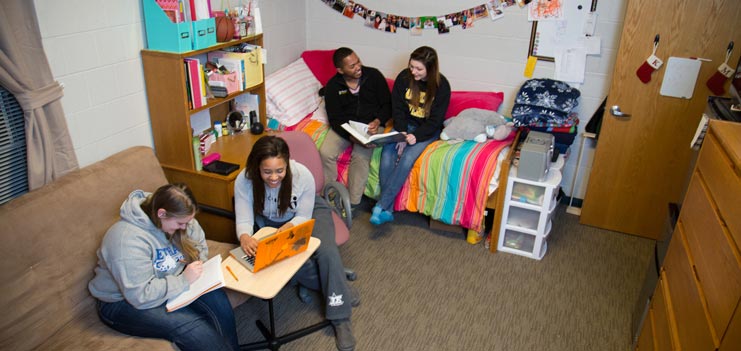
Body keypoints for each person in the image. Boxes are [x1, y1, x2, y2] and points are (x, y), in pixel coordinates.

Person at [234, 135, 359, 351]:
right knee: (283, 261)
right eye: (267, 172)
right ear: (256, 167)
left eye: (279, 171)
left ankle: (340, 317)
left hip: (310, 214)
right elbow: (244, 220)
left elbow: (303, 215)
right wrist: (245, 236)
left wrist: (291, 228)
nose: (274, 177)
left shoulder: (302, 175)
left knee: (327, 253)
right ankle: (339, 289)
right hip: (271, 222)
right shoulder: (244, 180)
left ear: (287, 164)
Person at [88, 184, 239, 351]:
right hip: (123, 302)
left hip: (169, 282)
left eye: (188, 222)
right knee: (194, 328)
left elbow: (199, 246)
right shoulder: (125, 240)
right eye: (180, 223)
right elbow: (140, 296)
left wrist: (197, 264)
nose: (185, 227)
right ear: (162, 214)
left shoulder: (181, 216)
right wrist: (183, 280)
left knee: (219, 302)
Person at [370, 46, 451, 225]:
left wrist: (416, 136)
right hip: (404, 126)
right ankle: (387, 210)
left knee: (407, 159)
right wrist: (402, 132)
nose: (413, 71)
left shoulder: (442, 86)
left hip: (426, 130)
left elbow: (436, 120)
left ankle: (381, 205)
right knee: (387, 155)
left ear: (430, 68)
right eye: (411, 66)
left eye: (419, 69)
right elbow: (397, 108)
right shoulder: (404, 77)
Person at [321, 47, 392, 214]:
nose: (358, 67)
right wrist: (351, 136)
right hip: (346, 127)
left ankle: (352, 203)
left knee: (361, 155)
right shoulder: (333, 86)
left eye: (358, 61)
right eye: (352, 66)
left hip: (371, 125)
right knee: (325, 152)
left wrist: (378, 120)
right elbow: (335, 119)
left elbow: (388, 104)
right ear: (340, 70)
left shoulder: (373, 76)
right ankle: (329, 194)